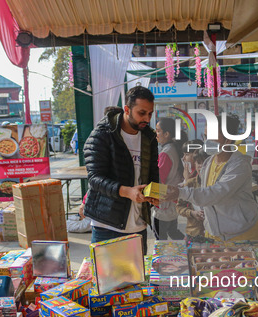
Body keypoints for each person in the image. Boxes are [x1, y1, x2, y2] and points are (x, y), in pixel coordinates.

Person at [83, 86, 159, 254]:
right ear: (127, 109)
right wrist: (127, 192)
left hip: (138, 225)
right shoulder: (102, 134)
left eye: (150, 113)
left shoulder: (149, 138)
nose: (146, 118)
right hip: (106, 225)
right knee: (106, 279)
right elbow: (95, 179)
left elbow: (152, 172)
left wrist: (154, 193)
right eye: (141, 113)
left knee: (138, 279)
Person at [166, 115, 258, 242]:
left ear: (228, 140)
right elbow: (203, 195)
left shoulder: (239, 165)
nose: (207, 141)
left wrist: (181, 192)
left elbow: (215, 193)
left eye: (212, 137)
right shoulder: (209, 162)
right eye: (206, 136)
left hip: (244, 235)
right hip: (216, 235)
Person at [153, 117, 185, 241]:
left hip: (164, 204)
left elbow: (159, 180)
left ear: (167, 134)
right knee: (173, 232)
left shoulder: (166, 153)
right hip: (172, 202)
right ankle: (187, 247)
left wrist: (152, 200)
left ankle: (164, 259)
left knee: (161, 239)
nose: (156, 134)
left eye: (158, 131)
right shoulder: (175, 149)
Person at [177, 149, 209, 243]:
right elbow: (179, 207)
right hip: (194, 232)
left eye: (205, 163)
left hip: (214, 233)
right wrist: (192, 213)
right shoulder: (190, 184)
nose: (202, 166)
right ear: (194, 164)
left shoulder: (217, 185)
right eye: (199, 163)